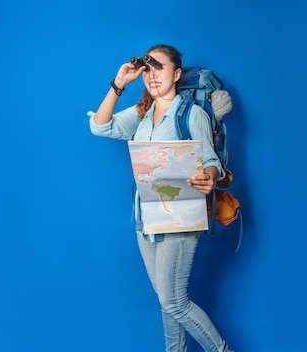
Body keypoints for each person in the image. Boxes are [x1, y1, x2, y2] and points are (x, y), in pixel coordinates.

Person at [87, 44, 234, 352]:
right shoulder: (142, 113)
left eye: (160, 68)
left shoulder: (191, 114)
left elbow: (211, 160)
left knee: (174, 300)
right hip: (145, 218)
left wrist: (209, 176)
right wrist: (119, 83)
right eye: (148, 69)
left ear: (176, 74)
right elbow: (100, 127)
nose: (153, 76)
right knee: (166, 302)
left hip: (180, 218)